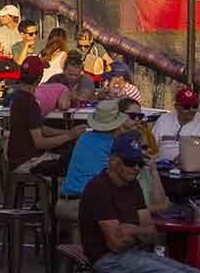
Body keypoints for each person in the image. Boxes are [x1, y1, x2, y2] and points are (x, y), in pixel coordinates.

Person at [79, 133, 200, 273]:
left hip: (134, 252)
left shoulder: (133, 185)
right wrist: (140, 234)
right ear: (113, 161)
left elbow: (151, 233)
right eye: (130, 163)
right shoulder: (99, 188)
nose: (136, 168)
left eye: (139, 163)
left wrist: (131, 230)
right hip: (107, 259)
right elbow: (117, 244)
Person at [58, 99, 158, 233]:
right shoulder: (115, 144)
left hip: (66, 200)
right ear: (118, 123)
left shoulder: (85, 137)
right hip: (86, 203)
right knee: (144, 211)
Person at [8, 56, 87, 173]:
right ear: (39, 78)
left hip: (19, 157)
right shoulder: (30, 102)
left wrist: (67, 133)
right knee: (75, 162)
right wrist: (70, 135)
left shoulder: (18, 96)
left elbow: (39, 128)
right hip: (27, 161)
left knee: (65, 151)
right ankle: (63, 190)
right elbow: (39, 143)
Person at [151, 87, 200, 163]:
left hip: (192, 169)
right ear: (176, 107)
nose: (191, 110)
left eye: (195, 106)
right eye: (186, 107)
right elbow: (152, 145)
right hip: (162, 166)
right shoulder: (164, 119)